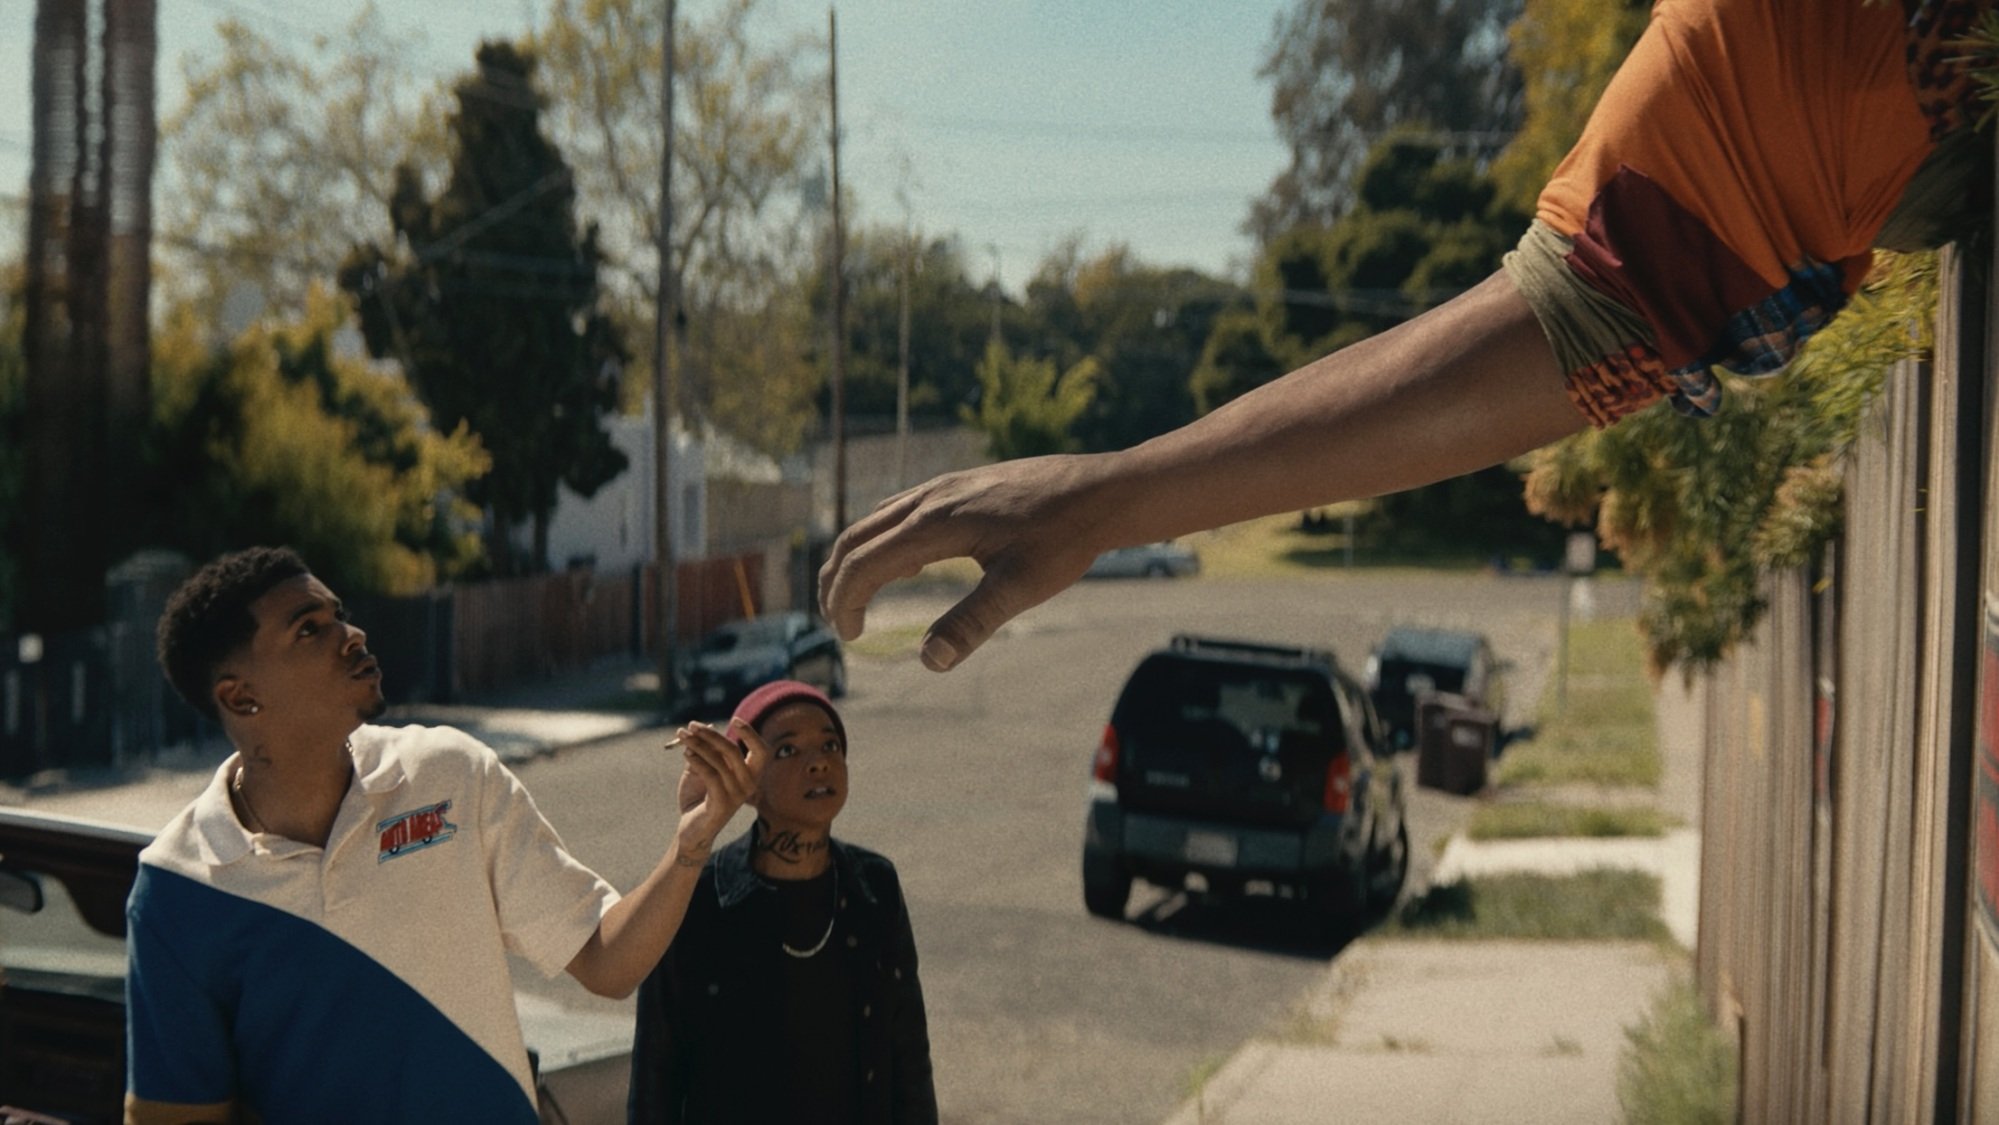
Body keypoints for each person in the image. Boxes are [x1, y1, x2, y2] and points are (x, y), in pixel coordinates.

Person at [817, 0, 1991, 671]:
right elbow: (1576, 318)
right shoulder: (1751, 62)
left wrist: (1110, 497)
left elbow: (1579, 317)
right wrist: (1109, 498)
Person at [127, 545, 765, 1124]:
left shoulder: (451, 773)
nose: (352, 636)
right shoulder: (177, 888)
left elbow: (607, 960)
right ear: (241, 699)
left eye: (339, 615)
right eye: (309, 630)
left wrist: (691, 846)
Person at [627, 680, 937, 1125]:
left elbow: (908, 1052)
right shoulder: (694, 896)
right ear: (746, 784)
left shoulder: (874, 885)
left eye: (830, 745)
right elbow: (655, 1072)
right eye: (788, 751)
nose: (818, 764)